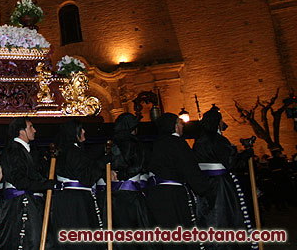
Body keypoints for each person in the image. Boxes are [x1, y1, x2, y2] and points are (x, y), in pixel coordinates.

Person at [193, 105, 256, 249]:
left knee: (210, 216)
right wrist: (245, 155)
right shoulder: (218, 140)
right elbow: (230, 162)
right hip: (221, 185)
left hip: (205, 183)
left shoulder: (199, 141)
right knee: (225, 215)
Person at [145, 113, 212, 249]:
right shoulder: (177, 143)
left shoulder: (157, 143)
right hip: (173, 196)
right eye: (180, 122)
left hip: (156, 196)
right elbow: (190, 169)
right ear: (174, 126)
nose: (182, 125)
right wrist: (206, 188)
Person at [0, 117, 58, 250]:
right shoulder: (14, 151)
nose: (34, 130)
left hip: (32, 202)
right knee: (28, 240)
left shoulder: (31, 151)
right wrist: (43, 185)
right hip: (21, 205)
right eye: (31, 127)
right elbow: (18, 179)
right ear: (21, 132)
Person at [103, 113, 156, 250]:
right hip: (131, 197)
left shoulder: (112, 143)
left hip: (114, 197)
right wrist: (122, 175)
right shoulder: (136, 144)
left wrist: (109, 173)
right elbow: (139, 165)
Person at [52, 120, 106, 249]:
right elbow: (86, 177)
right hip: (75, 202)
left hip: (72, 199)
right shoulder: (72, 151)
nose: (84, 131)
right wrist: (102, 163)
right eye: (81, 129)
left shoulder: (69, 150)